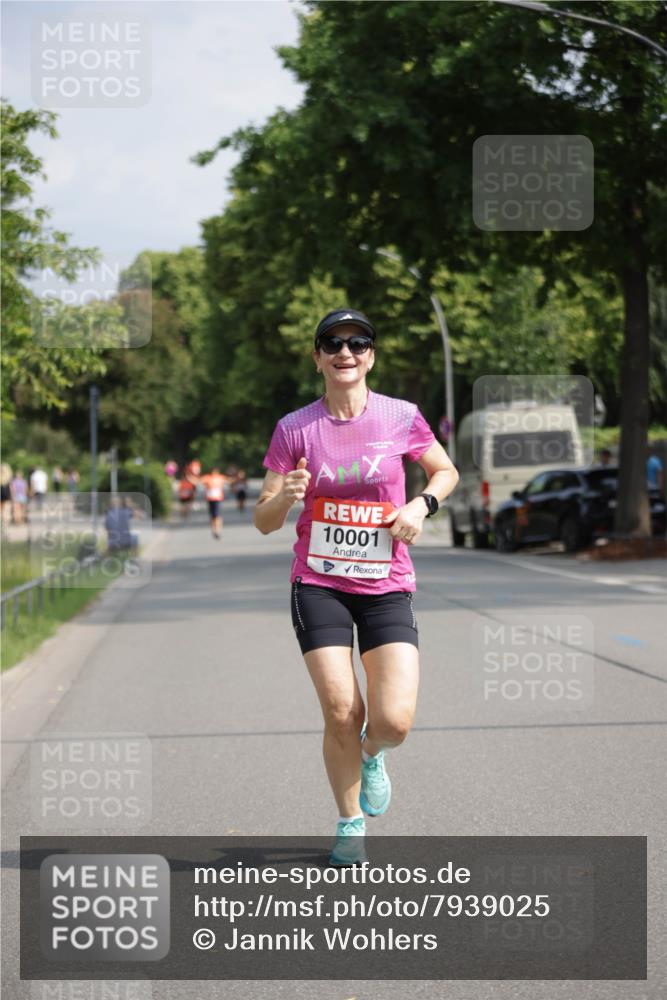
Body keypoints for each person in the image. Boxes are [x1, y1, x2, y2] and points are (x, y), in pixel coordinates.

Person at [254, 308, 459, 864]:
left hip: (385, 580)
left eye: (358, 343)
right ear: (317, 356)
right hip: (317, 581)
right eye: (333, 343)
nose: (346, 352)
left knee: (393, 719)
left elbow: (445, 472)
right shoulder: (295, 428)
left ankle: (373, 754)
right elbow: (264, 520)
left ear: (371, 355)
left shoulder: (401, 416)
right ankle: (350, 824)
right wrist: (285, 495)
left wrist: (421, 503)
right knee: (342, 707)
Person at [201, 466, 232, 539]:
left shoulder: (221, 477)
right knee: (212, 516)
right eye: (213, 471)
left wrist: (236, 477)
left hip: (217, 499)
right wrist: (189, 478)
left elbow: (229, 481)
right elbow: (198, 481)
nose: (214, 473)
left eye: (215, 471)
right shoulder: (207, 478)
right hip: (210, 499)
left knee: (217, 515)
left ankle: (218, 530)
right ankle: (213, 530)